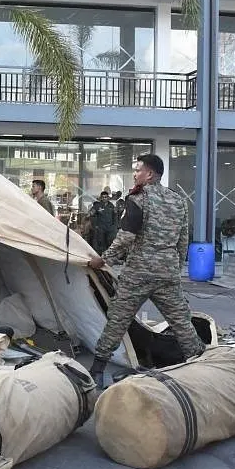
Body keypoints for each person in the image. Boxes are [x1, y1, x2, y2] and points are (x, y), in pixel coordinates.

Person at [87, 154, 205, 387]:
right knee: (181, 322)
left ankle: (97, 371)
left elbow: (126, 237)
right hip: (167, 272)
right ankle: (202, 368)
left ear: (149, 174)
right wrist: (175, 268)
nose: (135, 174)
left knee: (118, 320)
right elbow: (183, 241)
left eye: (138, 170)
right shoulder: (178, 201)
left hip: (138, 272)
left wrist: (103, 260)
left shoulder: (138, 199)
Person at [89, 190, 118, 255]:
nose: (104, 198)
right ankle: (101, 256)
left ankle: (108, 255)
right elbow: (91, 214)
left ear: (108, 197)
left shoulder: (111, 205)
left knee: (110, 242)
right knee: (101, 243)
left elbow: (115, 216)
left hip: (110, 228)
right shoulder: (97, 205)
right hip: (101, 228)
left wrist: (114, 226)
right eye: (103, 197)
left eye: (106, 197)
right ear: (101, 198)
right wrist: (95, 225)